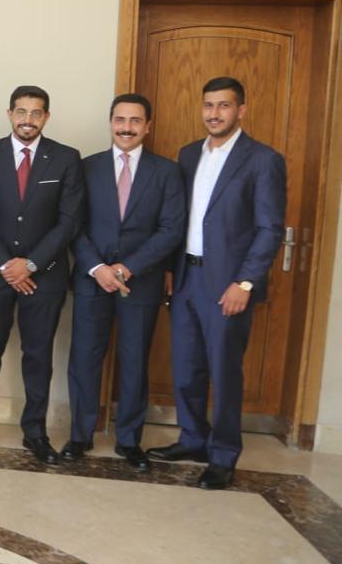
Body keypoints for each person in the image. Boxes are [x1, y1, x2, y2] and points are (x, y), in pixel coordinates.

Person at [147, 77, 286, 490]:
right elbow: (179, 219)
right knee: (186, 368)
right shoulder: (189, 154)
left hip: (228, 284)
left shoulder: (263, 160)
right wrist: (170, 269)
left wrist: (245, 282)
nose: (214, 113)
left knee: (224, 372)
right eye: (209, 105)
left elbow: (269, 228)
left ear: (241, 110)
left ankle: (223, 454)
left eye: (223, 106)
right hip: (186, 277)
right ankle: (193, 439)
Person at [0, 85, 84, 464]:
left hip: (44, 276)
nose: (28, 120)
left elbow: (69, 221)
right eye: (21, 112)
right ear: (10, 114)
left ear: (46, 117)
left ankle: (35, 432)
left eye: (36, 113)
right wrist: (5, 265)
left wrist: (29, 264)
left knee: (38, 356)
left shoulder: (66, 158)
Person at [65, 94, 184, 471]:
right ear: (110, 122)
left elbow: (171, 229)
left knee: (134, 361)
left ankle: (129, 439)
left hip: (141, 282)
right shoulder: (86, 167)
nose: (126, 127)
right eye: (120, 119)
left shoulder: (167, 172)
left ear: (147, 126)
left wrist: (128, 267)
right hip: (92, 280)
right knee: (84, 359)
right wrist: (96, 267)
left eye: (135, 121)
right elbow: (73, 225)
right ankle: (80, 434)